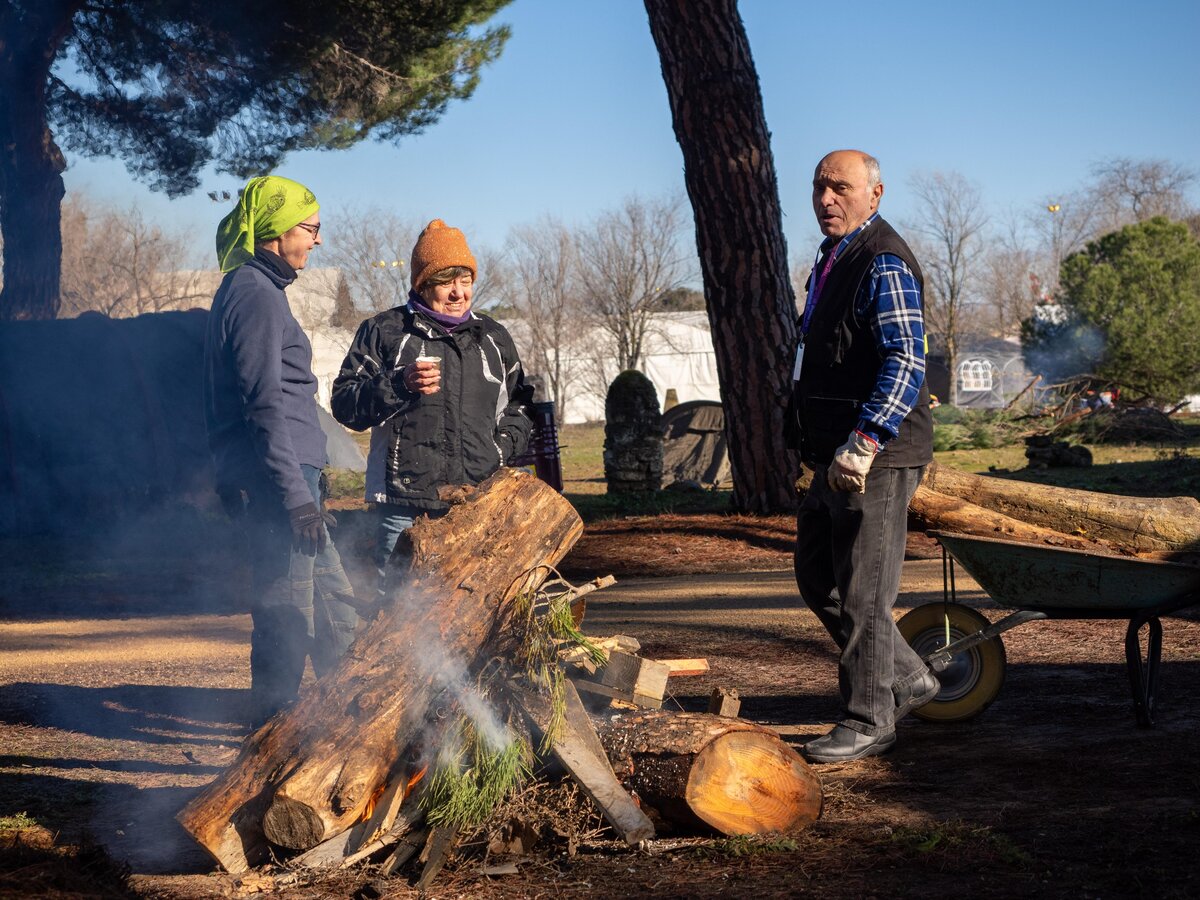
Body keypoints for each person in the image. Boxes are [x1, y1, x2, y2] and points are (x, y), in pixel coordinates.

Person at [788, 150, 939, 763]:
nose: (827, 198)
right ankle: (907, 677)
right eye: (820, 187)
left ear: (874, 194)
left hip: (874, 454)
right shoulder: (833, 258)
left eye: (841, 187)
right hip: (834, 451)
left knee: (863, 591)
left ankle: (869, 718)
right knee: (816, 576)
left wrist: (867, 439)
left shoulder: (882, 260)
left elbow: (906, 356)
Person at [203, 175, 360, 726]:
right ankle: (271, 740)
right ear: (276, 230)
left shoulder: (253, 290)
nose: (317, 241)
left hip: (286, 479)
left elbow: (220, 400)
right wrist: (295, 498)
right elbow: (262, 403)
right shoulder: (254, 294)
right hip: (281, 484)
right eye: (311, 229)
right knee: (287, 616)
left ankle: (358, 723)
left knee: (336, 608)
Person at [331, 219, 533, 596]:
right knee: (397, 616)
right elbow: (345, 405)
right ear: (422, 285)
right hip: (402, 507)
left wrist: (500, 451)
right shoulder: (384, 330)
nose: (457, 292)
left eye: (465, 280)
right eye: (445, 281)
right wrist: (398, 384)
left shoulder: (493, 337)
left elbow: (520, 406)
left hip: (476, 504)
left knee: (471, 613)